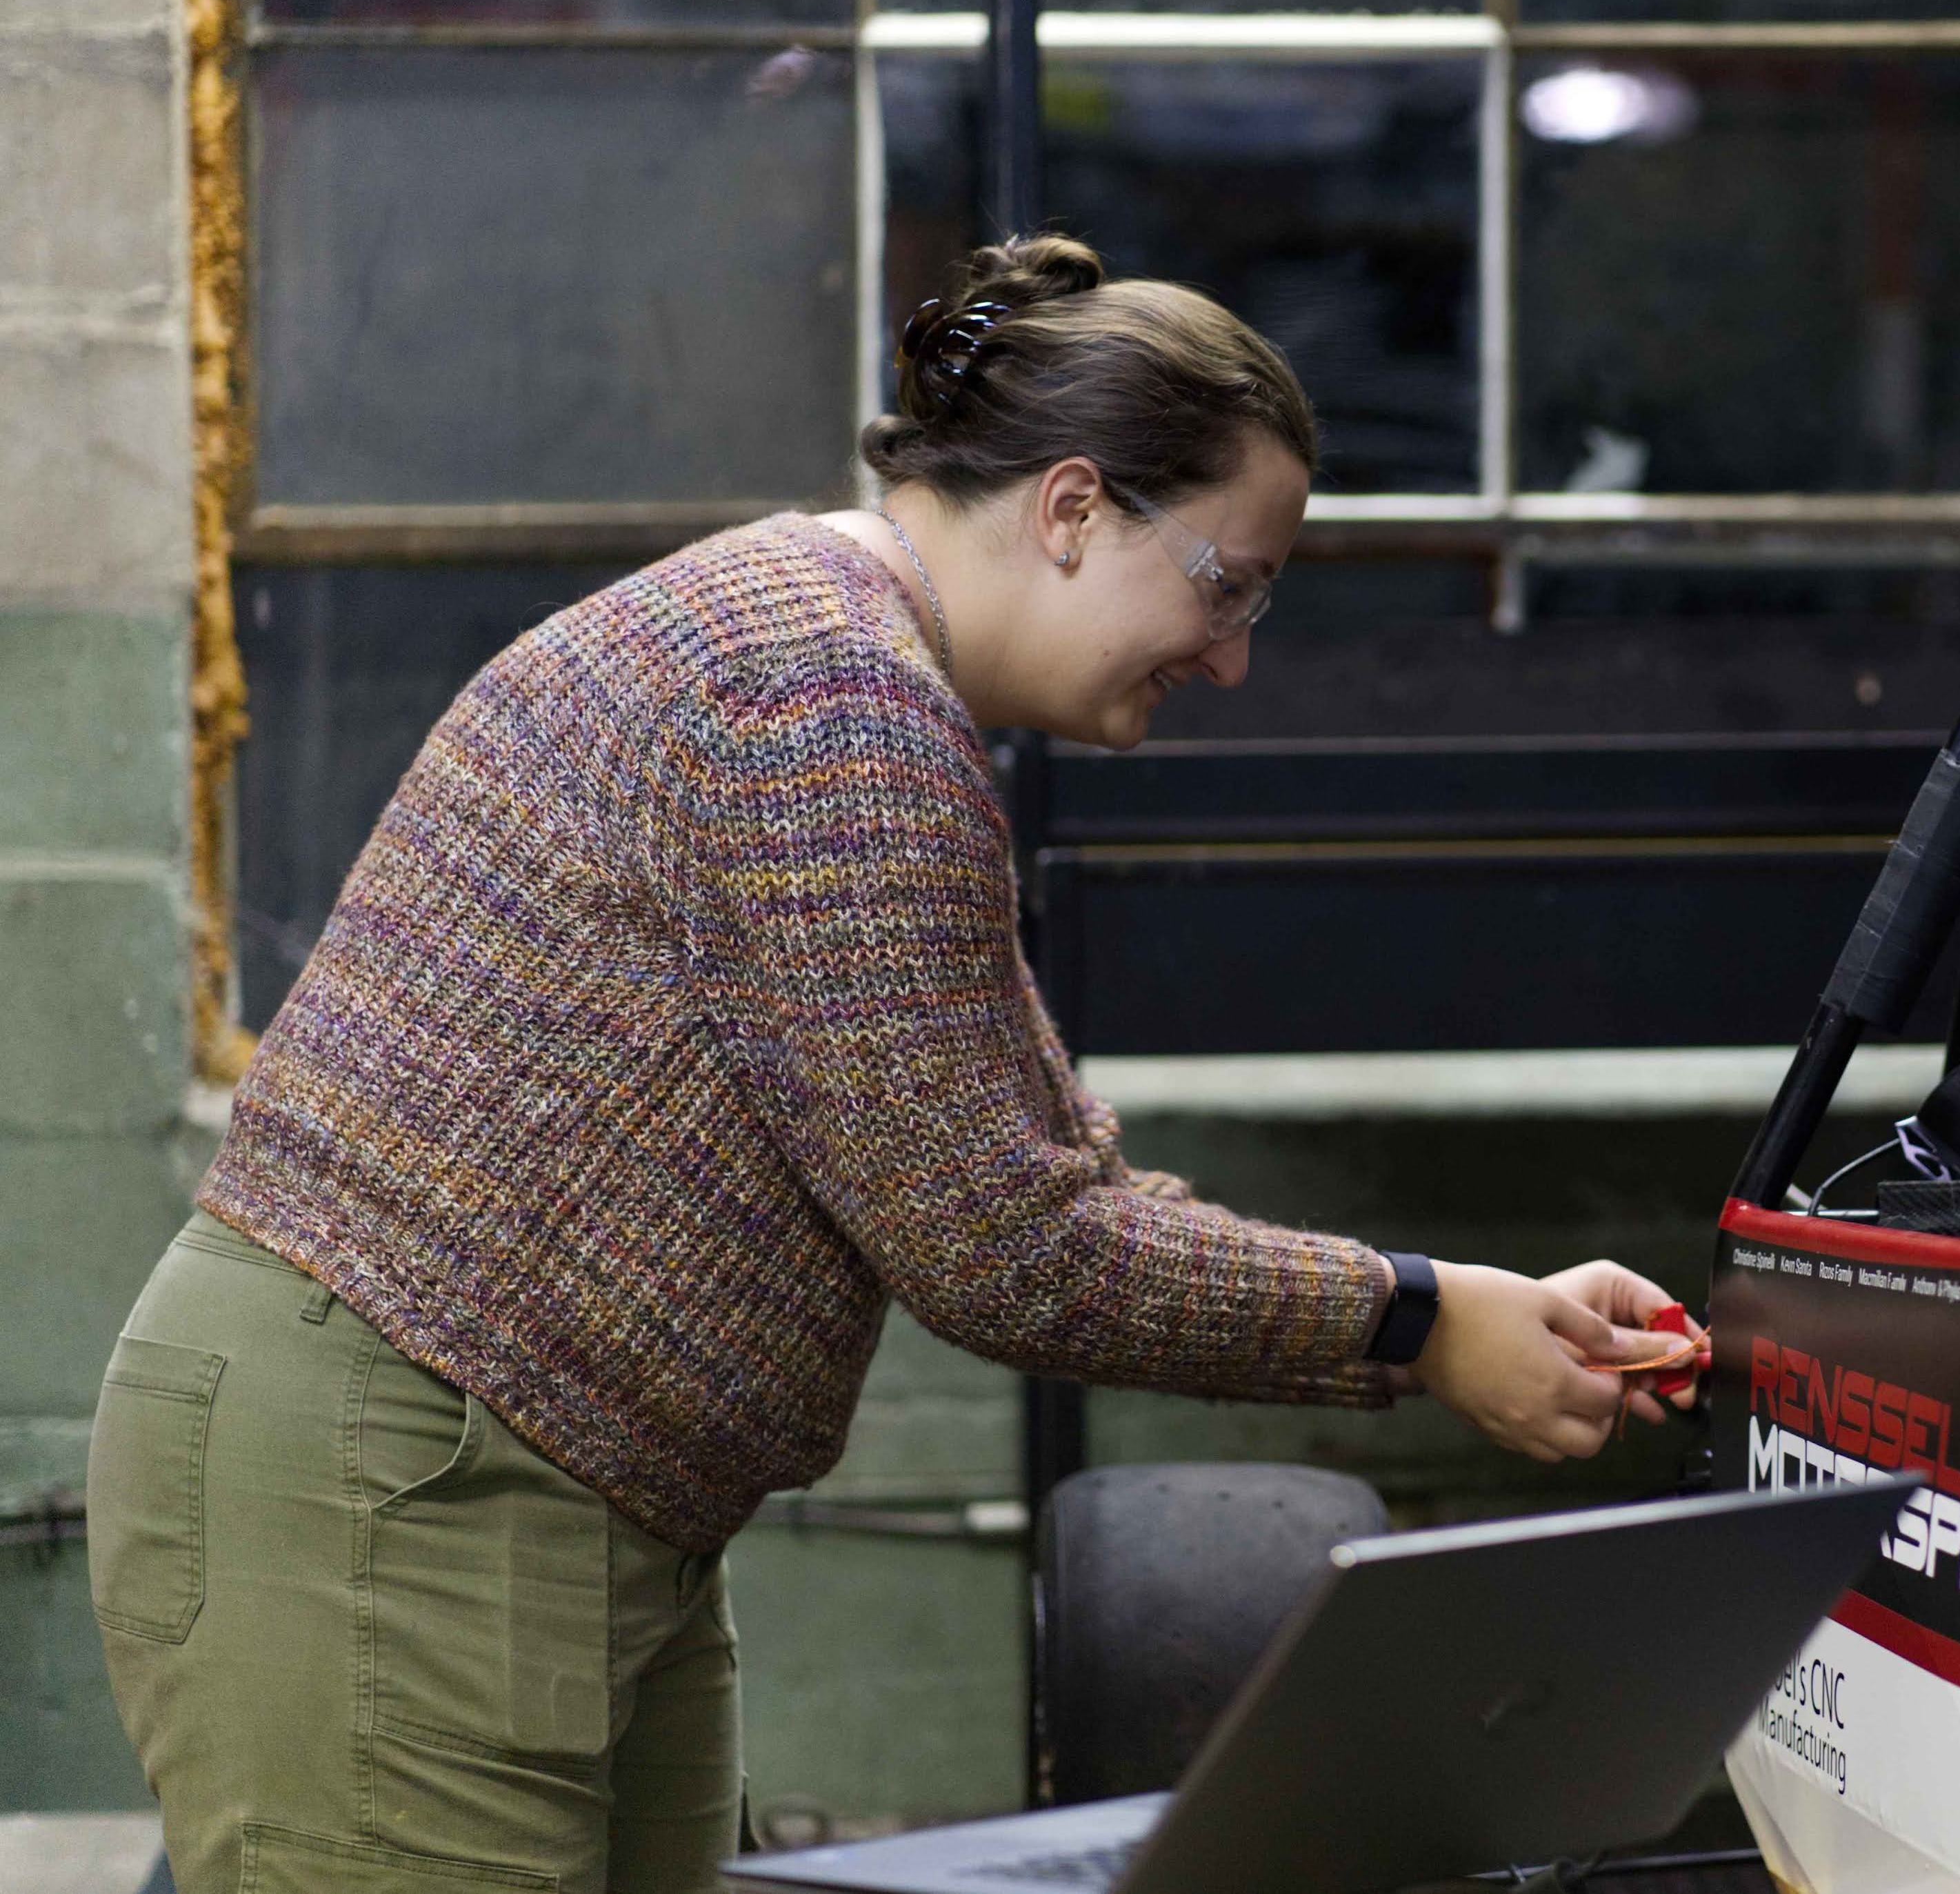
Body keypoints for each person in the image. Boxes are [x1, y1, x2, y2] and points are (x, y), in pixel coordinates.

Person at [86, 235, 1690, 1894]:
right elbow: (1004, 1246)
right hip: (405, 1479)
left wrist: (1459, 1299)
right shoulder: (831, 701)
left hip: (529, 1484)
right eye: (1227, 584)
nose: (1231, 657)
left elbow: (1039, 1177)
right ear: (1072, 508)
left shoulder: (835, 657)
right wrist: (1416, 1318)